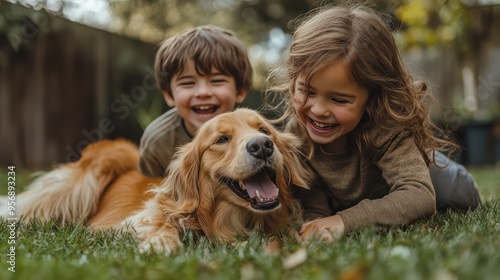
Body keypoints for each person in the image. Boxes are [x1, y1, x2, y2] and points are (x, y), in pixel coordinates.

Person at [265, 5, 481, 241]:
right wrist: (317, 225)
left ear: (373, 96)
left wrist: (344, 221)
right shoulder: (297, 134)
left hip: (435, 178)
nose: (317, 110)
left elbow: (419, 196)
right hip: (358, 198)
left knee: (450, 191)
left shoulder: (387, 128)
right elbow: (315, 201)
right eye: (306, 91)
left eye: (339, 99)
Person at [139, 25, 253, 177]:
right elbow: (150, 191)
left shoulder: (252, 133)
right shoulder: (158, 141)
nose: (203, 92)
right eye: (187, 83)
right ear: (169, 96)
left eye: (217, 81)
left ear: (240, 91)